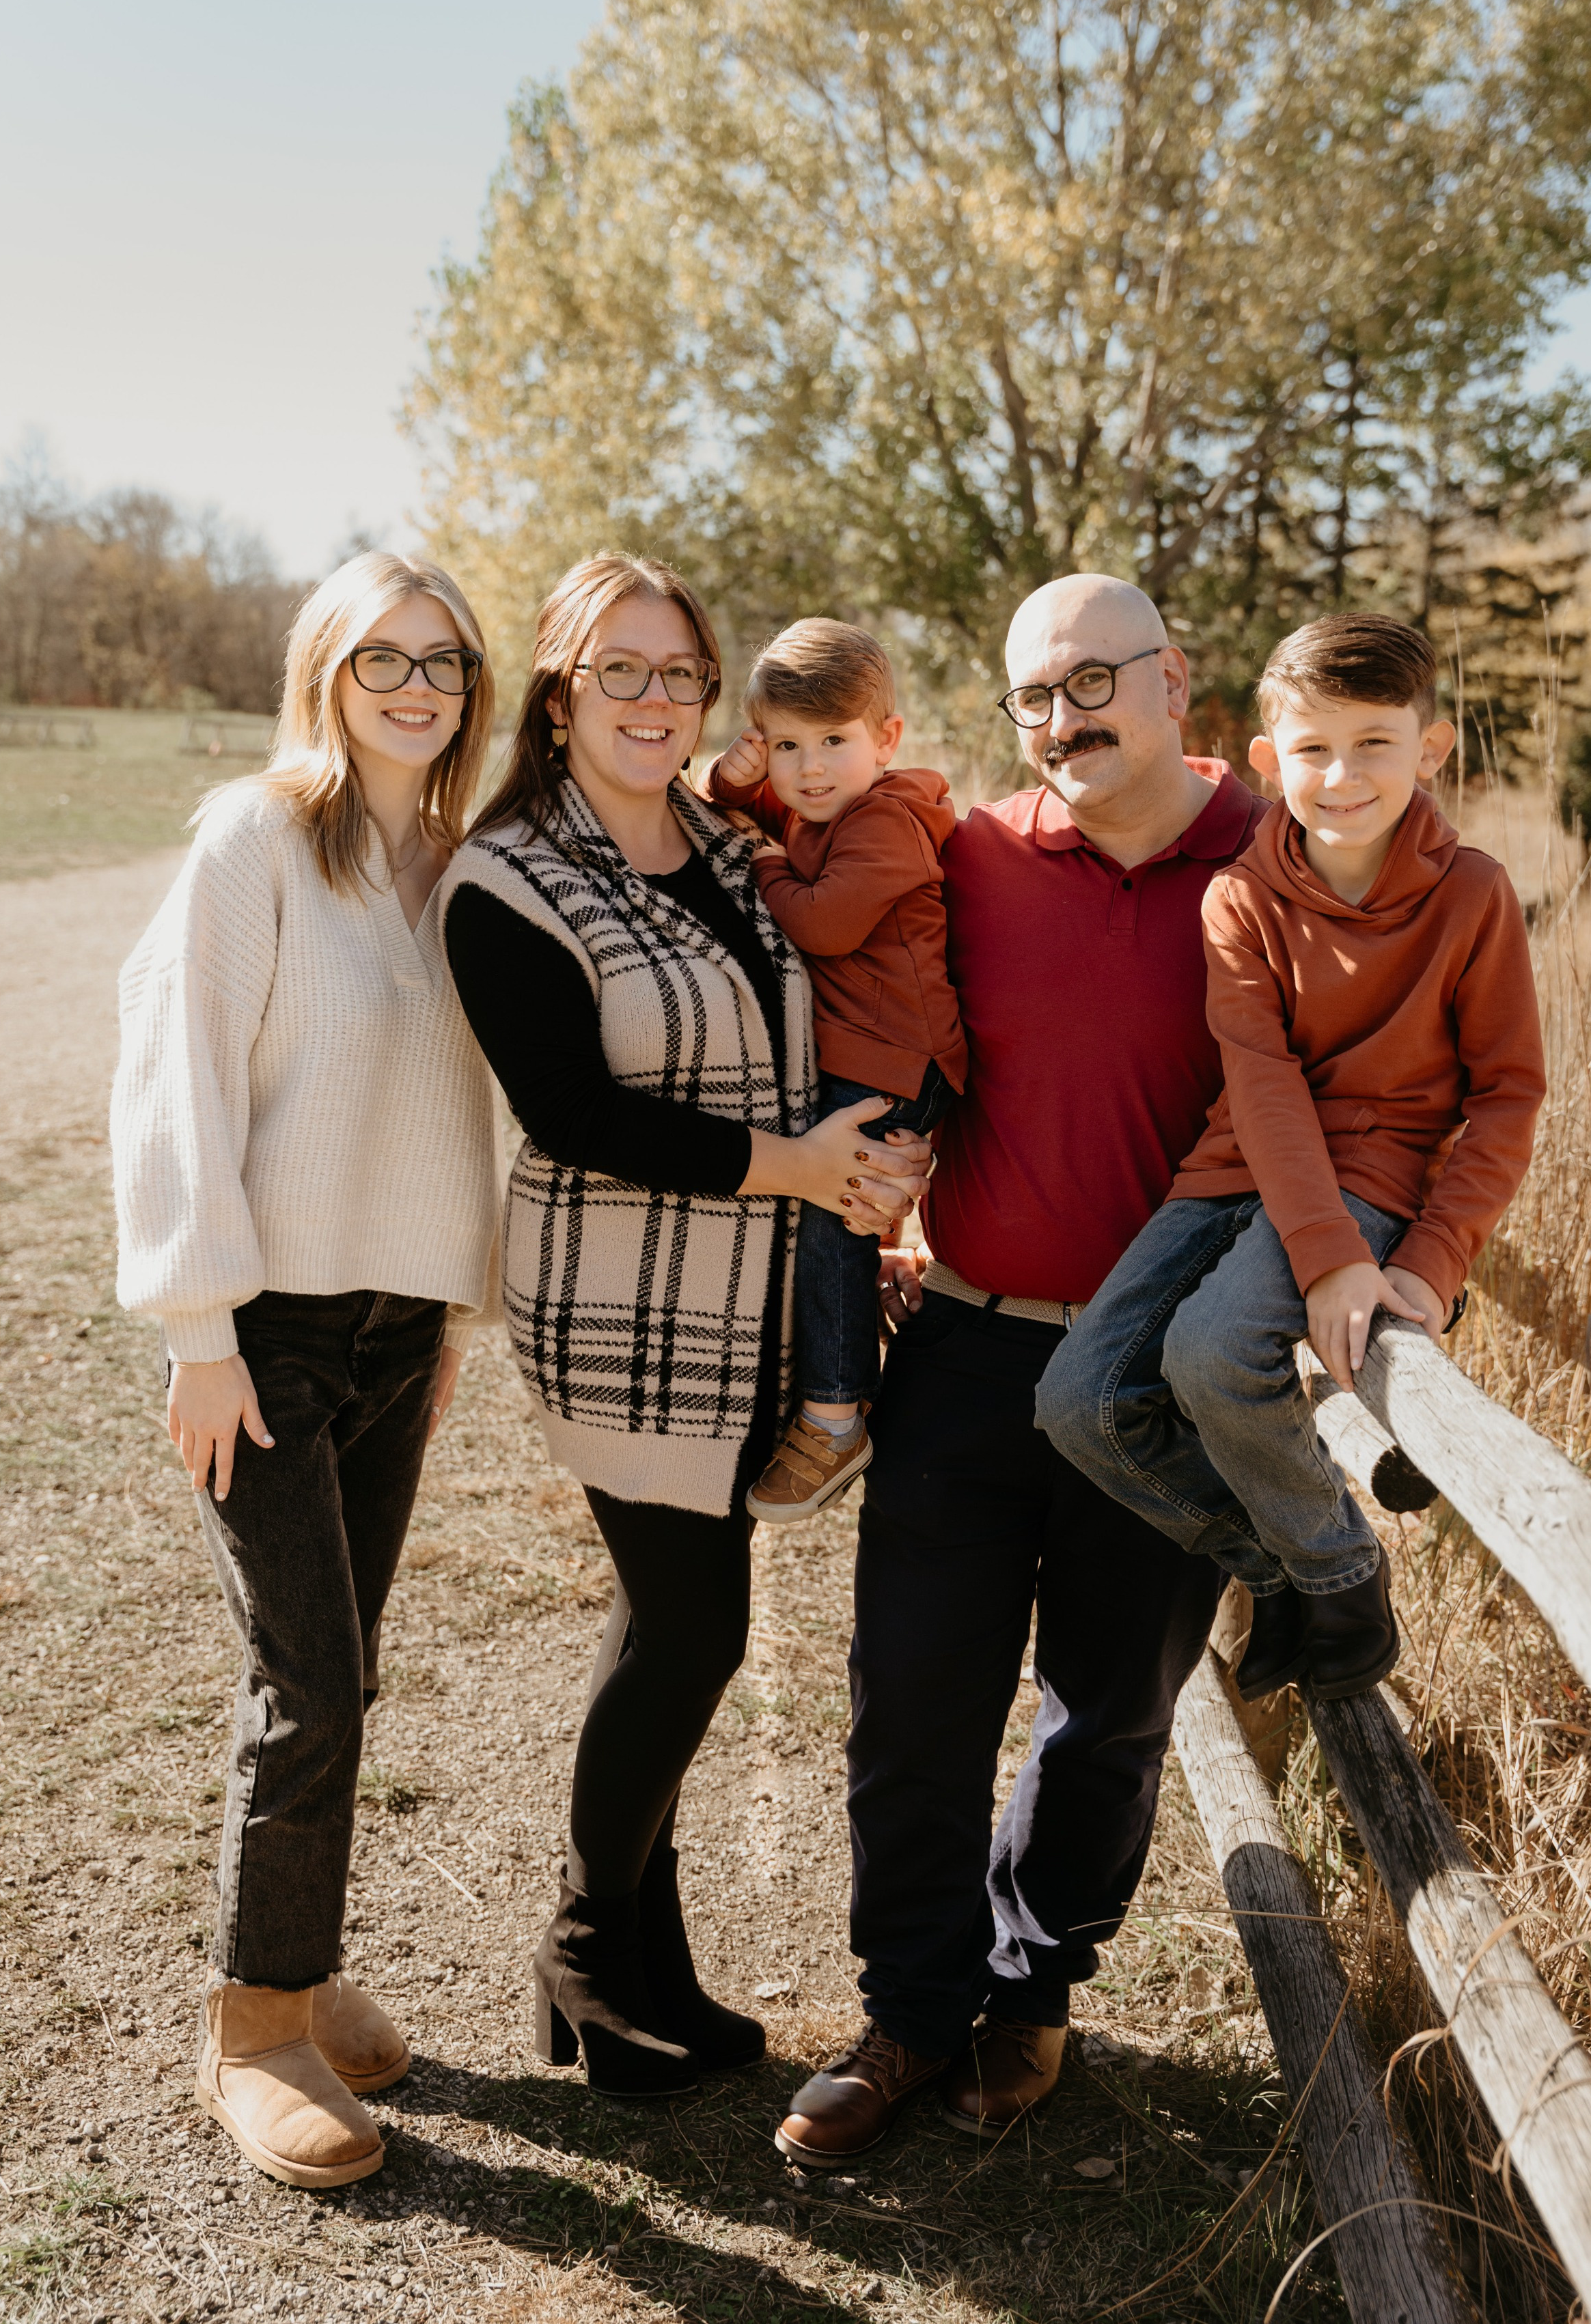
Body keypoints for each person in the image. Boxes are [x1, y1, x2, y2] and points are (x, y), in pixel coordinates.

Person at [774, 574, 1269, 2166]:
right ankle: (911, 2014)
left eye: (1092, 682)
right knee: (912, 1702)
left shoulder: (1273, 855)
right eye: (1035, 696)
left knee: (1107, 1716)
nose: (1063, 719)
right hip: (968, 1343)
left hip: (1162, 1384)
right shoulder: (970, 854)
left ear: (1173, 680)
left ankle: (1032, 1990)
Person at [438, 556, 931, 2100]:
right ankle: (586, 1951)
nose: (655, 700)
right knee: (696, 1629)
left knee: (661, 1623)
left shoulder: (731, 840)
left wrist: (874, 1171)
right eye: (622, 671)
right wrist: (798, 1166)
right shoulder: (508, 878)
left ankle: (651, 1961)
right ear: (559, 691)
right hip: (623, 1304)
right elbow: (574, 1114)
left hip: (753, 1295)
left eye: (680, 674)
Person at [111, 551, 501, 2189]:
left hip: (400, 1332)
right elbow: (175, 1073)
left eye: (444, 660)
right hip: (265, 1332)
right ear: (324, 672)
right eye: (381, 657)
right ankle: (255, 2026)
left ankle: (302, 1955)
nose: (416, 686)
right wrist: (199, 1335)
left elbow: (455, 1111)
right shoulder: (255, 836)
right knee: (308, 1679)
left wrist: (450, 1317)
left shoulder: (461, 864)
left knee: (348, 1662)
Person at [1037, 614, 1545, 1703]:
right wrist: (1324, 1255)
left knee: (1216, 1354)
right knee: (1081, 1401)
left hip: (1372, 1175)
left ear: (1431, 748)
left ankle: (1340, 1582)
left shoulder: (1473, 894)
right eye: (1314, 748)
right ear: (1270, 758)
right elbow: (1261, 1083)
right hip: (1236, 1167)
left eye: (1375, 744)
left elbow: (1508, 1095)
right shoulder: (1242, 897)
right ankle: (1289, 1566)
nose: (1343, 776)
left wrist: (1430, 1261)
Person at [700, 618, 967, 1521]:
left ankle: (836, 1411)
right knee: (825, 1215)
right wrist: (735, 776)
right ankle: (819, 1384)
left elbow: (821, 921)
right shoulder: (827, 807)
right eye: (786, 746)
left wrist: (764, 864)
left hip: (898, 1056)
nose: (809, 769)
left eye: (833, 742)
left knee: (833, 1225)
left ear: (886, 739)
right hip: (864, 1053)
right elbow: (731, 799)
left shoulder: (886, 820)